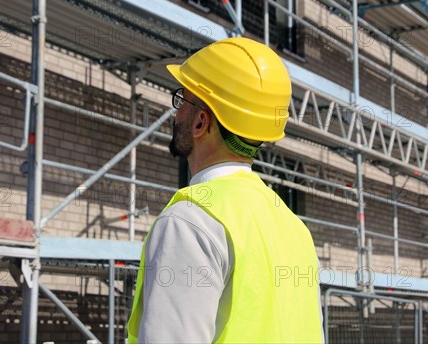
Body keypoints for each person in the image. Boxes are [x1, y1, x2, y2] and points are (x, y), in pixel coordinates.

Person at [127, 37, 323, 343]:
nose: (176, 113)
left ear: (201, 122)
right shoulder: (295, 229)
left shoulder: (190, 222)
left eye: (182, 100)